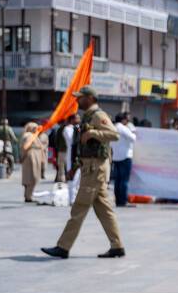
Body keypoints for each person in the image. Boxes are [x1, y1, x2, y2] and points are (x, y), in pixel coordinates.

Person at [41, 89, 125, 259]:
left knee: (79, 208)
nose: (77, 100)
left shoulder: (97, 115)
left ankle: (63, 247)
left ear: (90, 98)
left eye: (81, 98)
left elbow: (114, 135)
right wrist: (76, 166)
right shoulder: (87, 116)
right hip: (90, 167)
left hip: (95, 169)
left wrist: (94, 133)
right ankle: (117, 246)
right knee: (104, 210)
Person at [111, 111, 137, 207]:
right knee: (124, 180)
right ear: (123, 120)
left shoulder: (113, 127)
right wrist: (132, 131)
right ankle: (123, 201)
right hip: (125, 156)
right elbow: (133, 138)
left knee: (117, 181)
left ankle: (118, 200)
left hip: (116, 157)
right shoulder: (123, 128)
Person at [20, 121, 47, 203]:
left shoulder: (31, 135)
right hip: (32, 157)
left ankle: (28, 195)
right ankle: (28, 196)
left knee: (29, 177)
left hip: (32, 156)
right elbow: (25, 147)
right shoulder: (29, 136)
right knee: (32, 177)